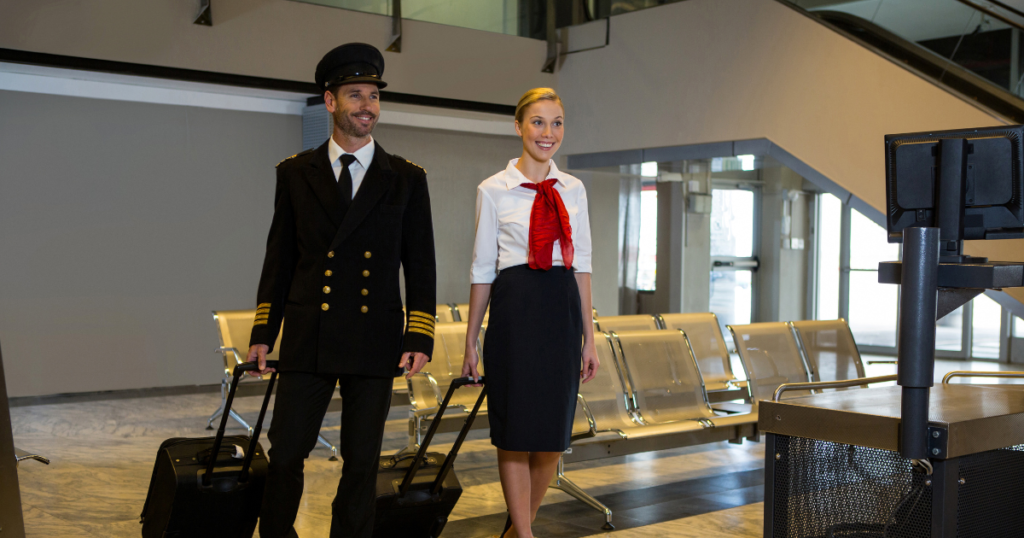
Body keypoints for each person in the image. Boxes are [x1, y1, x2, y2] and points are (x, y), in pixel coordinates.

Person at [245, 43, 436, 538]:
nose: (367, 105)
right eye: (355, 95)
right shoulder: (294, 173)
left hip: (375, 336)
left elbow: (421, 265)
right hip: (309, 333)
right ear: (330, 102)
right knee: (285, 452)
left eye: (373, 95)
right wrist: (264, 331)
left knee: (361, 463)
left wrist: (419, 336)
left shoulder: (406, 179)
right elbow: (279, 258)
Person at [462, 88, 600, 538]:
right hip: (514, 309)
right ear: (518, 126)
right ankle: (523, 534)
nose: (548, 133)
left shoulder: (574, 190)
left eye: (556, 123)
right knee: (515, 430)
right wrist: (471, 339)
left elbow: (582, 266)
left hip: (561, 310)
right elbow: (483, 269)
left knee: (552, 436)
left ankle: (514, 532)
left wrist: (589, 339)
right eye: (538, 122)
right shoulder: (493, 190)